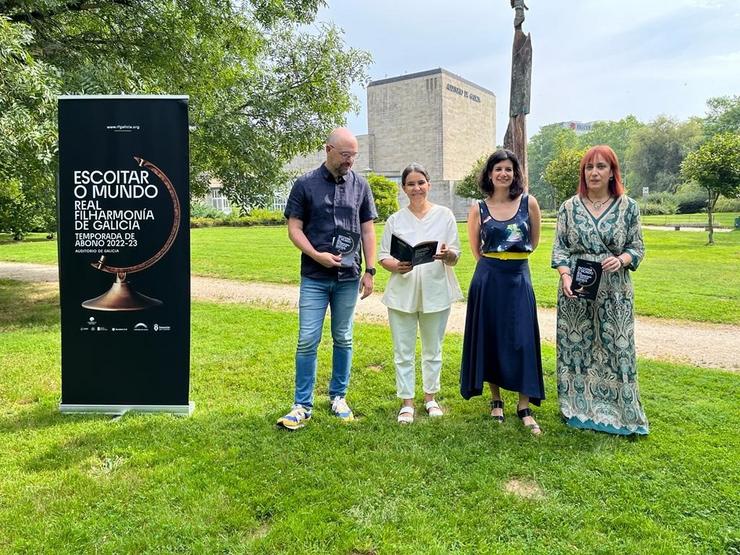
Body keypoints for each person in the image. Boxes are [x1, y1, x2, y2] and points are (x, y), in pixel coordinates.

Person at [277, 128, 378, 430]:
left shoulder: (360, 185)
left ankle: (338, 397)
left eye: (354, 156)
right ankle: (301, 405)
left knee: (343, 337)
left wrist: (370, 270)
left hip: (348, 276)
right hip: (315, 276)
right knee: (308, 339)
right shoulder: (305, 184)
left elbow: (368, 229)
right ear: (328, 150)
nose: (350, 161)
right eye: (345, 155)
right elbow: (294, 228)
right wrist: (316, 254)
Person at [551, 145, 649, 435]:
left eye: (601, 166)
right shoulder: (568, 207)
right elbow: (560, 248)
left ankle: (623, 412)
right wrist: (566, 275)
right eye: (589, 167)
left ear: (612, 172)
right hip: (576, 286)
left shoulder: (628, 206)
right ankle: (578, 408)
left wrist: (621, 259)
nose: (594, 172)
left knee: (616, 347)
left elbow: (637, 247)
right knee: (576, 346)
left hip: (615, 288)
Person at [460, 149, 545, 435]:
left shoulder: (528, 203)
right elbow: (476, 249)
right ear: (489, 174)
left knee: (522, 340)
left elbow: (534, 242)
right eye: (498, 169)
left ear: (515, 173)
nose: (503, 174)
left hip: (519, 277)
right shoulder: (478, 208)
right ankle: (495, 400)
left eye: (508, 169)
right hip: (489, 278)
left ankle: (524, 405)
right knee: (491, 338)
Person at [378, 163, 463, 424]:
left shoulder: (445, 215)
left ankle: (430, 398)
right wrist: (396, 265)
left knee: (432, 349)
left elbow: (455, 255)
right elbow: (383, 256)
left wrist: (448, 255)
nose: (416, 188)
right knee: (403, 350)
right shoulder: (395, 220)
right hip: (402, 292)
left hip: (436, 290)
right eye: (411, 184)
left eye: (421, 183)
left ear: (429, 184)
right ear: (404, 188)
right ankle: (406, 402)